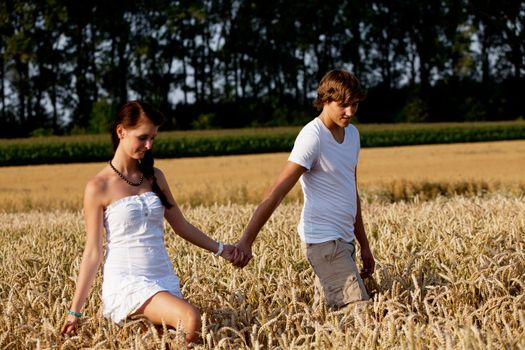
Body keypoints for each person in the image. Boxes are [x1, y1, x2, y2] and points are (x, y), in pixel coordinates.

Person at [61, 101, 242, 343]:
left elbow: (181, 226)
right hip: (127, 283)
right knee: (191, 318)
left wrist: (222, 249)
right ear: (121, 132)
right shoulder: (98, 187)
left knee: (165, 342)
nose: (149, 145)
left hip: (163, 279)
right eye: (143, 137)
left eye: (153, 138)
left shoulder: (155, 177)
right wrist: (74, 312)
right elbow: (93, 252)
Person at [233, 70, 375, 310]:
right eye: (343, 105)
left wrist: (364, 244)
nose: (350, 112)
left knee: (327, 319)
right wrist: (246, 241)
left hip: (344, 240)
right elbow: (276, 192)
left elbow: (352, 192)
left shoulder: (352, 135)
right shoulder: (313, 136)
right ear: (325, 100)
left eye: (355, 104)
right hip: (323, 240)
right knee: (358, 311)